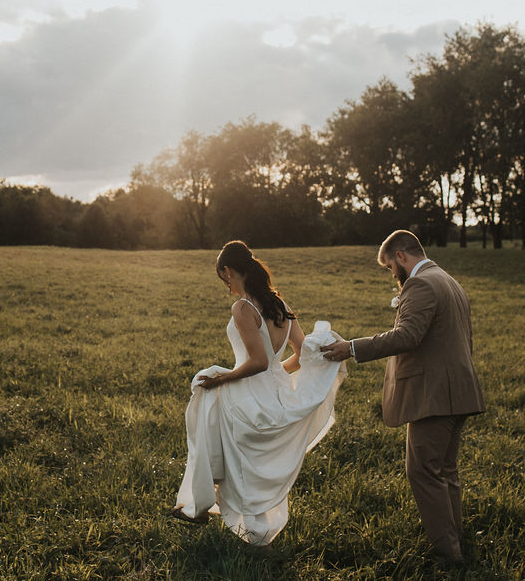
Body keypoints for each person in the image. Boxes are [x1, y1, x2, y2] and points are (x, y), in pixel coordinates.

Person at [321, 230, 485, 565]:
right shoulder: (448, 280)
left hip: (435, 395)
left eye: (389, 268)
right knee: (445, 470)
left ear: (400, 256)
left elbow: (407, 335)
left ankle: (447, 555)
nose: (392, 276)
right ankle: (455, 544)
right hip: (460, 390)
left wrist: (351, 348)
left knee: (422, 471)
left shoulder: (421, 284)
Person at [172, 240, 347, 546]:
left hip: (250, 392)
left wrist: (224, 377)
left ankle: (200, 505)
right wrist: (277, 375)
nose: (224, 283)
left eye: (222, 277)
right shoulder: (280, 305)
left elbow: (257, 361)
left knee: (206, 411)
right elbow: (298, 354)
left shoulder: (242, 307)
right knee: (220, 435)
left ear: (227, 271)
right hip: (275, 389)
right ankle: (202, 504)